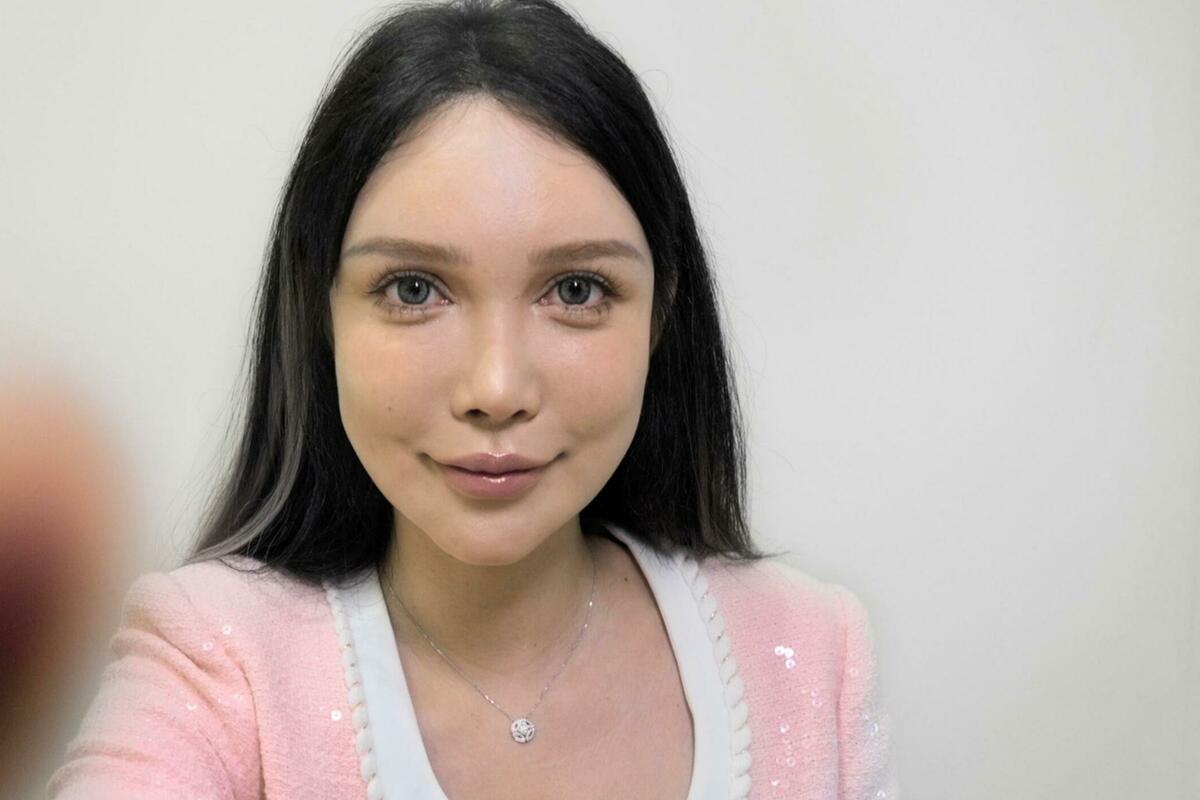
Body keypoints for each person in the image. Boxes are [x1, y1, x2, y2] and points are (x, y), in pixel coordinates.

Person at [47, 1, 898, 797]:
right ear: (319, 310)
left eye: (576, 289)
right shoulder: (215, 659)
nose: (496, 389)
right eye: (414, 289)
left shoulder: (808, 653)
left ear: (661, 315)